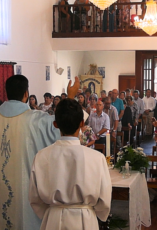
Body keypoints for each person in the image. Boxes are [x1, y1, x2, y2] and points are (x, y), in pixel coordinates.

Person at [0, 75, 78, 230]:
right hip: (26, 195)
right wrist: (71, 97)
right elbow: (65, 125)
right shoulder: (38, 120)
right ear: (26, 93)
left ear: (7, 93)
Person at [29, 98, 112, 230]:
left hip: (53, 220)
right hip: (85, 219)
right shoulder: (97, 158)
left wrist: (53, 212)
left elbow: (35, 198)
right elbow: (104, 200)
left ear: (55, 124)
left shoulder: (41, 156)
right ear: (82, 123)